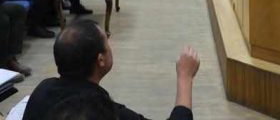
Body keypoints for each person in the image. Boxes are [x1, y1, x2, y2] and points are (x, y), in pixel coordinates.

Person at [23, 19, 200, 120]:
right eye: (107, 39)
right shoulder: (103, 111)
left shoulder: (43, 89)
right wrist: (185, 77)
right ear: (100, 59)